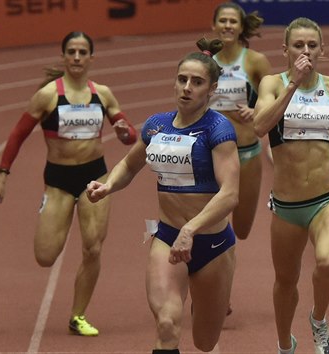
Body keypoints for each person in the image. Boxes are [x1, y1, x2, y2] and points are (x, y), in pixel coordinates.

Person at [86, 38, 240, 354]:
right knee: (167, 324)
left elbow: (230, 194)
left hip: (212, 243)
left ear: (211, 90)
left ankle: (205, 301)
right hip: (168, 237)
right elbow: (130, 164)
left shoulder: (218, 130)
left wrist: (191, 229)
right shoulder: (157, 125)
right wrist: (108, 185)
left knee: (205, 342)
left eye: (197, 82)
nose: (187, 87)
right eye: (182, 79)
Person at [0, 31, 137, 337]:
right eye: (72, 52)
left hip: (95, 178)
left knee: (93, 248)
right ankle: (57, 217)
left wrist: (124, 132)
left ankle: (77, 315)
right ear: (64, 57)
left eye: (83, 52)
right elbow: (17, 135)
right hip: (57, 180)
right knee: (45, 257)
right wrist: (2, 176)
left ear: (92, 58)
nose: (78, 58)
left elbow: (130, 135)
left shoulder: (103, 94)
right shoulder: (48, 96)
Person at [253, 18, 329, 354]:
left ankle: (318, 321)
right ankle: (284, 344)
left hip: (326, 199)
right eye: (298, 45)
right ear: (285, 50)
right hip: (288, 207)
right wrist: (294, 85)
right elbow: (260, 126)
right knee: (286, 283)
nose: (305, 51)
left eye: (312, 45)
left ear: (322, 50)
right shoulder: (272, 85)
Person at [209, 2, 272, 241]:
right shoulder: (204, 63)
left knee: (242, 229)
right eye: (223, 20)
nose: (227, 25)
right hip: (211, 153)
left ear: (241, 26)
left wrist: (257, 110)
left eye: (232, 21)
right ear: (213, 25)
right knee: (212, 226)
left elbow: (275, 98)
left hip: (246, 153)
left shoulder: (255, 61)